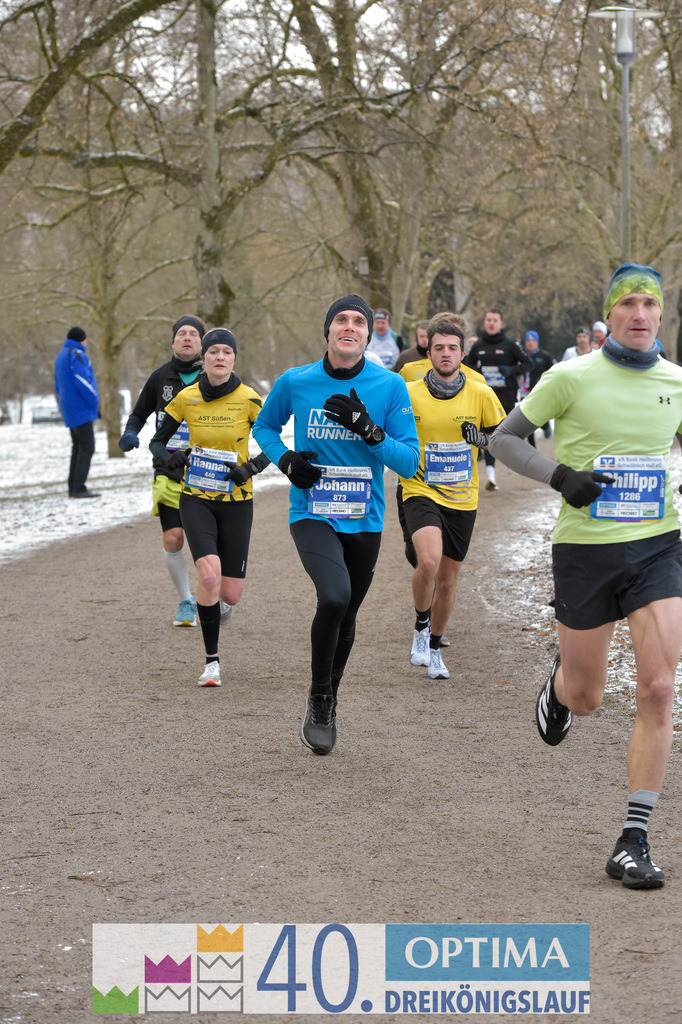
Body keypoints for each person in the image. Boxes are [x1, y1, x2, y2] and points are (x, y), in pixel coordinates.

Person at [488, 262, 682, 890]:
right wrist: (560, 477)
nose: (641, 314)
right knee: (589, 696)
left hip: (658, 548)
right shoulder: (570, 376)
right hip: (586, 553)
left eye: (650, 304)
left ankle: (633, 839)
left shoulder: (677, 383)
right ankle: (561, 687)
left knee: (656, 688)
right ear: (610, 316)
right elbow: (504, 441)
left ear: (661, 315)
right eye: (628, 303)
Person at [252, 295, 419, 755]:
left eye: (359, 321)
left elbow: (409, 462)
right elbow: (264, 427)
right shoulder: (296, 381)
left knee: (347, 613)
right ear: (327, 331)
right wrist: (286, 460)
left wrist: (370, 429)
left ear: (370, 334)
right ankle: (320, 697)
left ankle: (329, 693)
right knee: (334, 595)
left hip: (364, 517)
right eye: (340, 320)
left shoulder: (388, 386)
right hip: (312, 511)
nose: (349, 326)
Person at [149, 328, 270, 688]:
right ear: (205, 357)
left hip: (237, 502)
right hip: (196, 498)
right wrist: (170, 458)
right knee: (209, 576)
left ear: (234, 359)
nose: (220, 357)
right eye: (213, 351)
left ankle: (215, 606)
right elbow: (156, 442)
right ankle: (212, 663)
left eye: (226, 352)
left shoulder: (249, 399)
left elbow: (275, 445)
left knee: (229, 594)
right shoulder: (187, 398)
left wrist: (250, 467)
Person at [401, 320, 504, 679]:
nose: (445, 353)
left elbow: (502, 440)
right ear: (428, 353)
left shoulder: (481, 392)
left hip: (462, 496)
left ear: (463, 353)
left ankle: (435, 648)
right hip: (420, 489)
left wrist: (482, 440)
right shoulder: (408, 390)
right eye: (439, 348)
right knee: (427, 562)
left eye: (452, 348)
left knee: (447, 580)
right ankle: (420, 627)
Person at [119, 315, 206, 627]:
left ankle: (214, 593)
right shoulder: (160, 378)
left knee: (205, 542)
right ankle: (186, 601)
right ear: (172, 342)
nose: (186, 338)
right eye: (181, 333)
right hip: (166, 468)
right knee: (173, 539)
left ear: (202, 342)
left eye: (193, 334)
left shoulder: (215, 376)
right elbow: (140, 413)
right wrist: (131, 433)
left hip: (207, 471)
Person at [464, 309, 532, 491]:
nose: (492, 323)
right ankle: (491, 476)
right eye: (488, 320)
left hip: (506, 396)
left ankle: (509, 460)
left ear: (501, 324)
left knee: (505, 433)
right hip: (484, 396)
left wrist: (511, 371)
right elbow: (467, 365)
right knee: (489, 434)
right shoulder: (478, 345)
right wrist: (477, 374)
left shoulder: (510, 343)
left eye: (495, 320)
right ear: (484, 323)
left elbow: (528, 363)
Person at [54, 326, 101, 499]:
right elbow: (83, 381)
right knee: (87, 447)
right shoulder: (77, 354)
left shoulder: (60, 356)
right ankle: (79, 488)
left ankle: (72, 487)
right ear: (81, 339)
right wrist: (95, 401)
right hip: (81, 408)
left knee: (77, 447)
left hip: (69, 408)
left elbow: (57, 385)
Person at [519, 330, 555, 446]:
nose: (530, 343)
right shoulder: (521, 355)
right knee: (527, 420)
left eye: (533, 340)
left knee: (540, 416)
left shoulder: (545, 356)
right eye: (528, 340)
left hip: (540, 392)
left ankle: (545, 425)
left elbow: (555, 370)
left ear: (537, 342)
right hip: (525, 393)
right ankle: (532, 448)